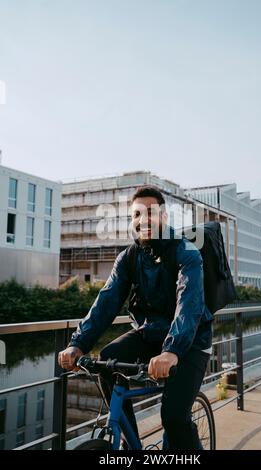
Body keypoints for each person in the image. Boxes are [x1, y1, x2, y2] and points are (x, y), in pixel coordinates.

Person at [58, 185, 213, 450]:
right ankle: (132, 444)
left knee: (174, 417)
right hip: (150, 333)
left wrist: (172, 350)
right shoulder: (128, 258)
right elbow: (106, 302)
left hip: (190, 342)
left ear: (164, 216)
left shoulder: (186, 252)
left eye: (150, 213)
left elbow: (189, 305)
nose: (143, 220)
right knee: (107, 359)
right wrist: (78, 343)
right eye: (136, 215)